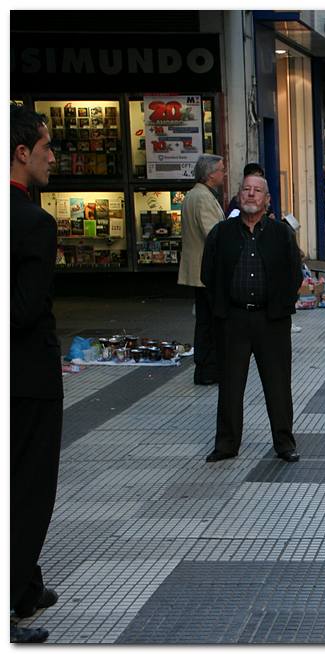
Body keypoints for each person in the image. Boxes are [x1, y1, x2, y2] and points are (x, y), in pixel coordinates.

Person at [201, 174, 304, 464]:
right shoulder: (221, 233)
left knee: (278, 384)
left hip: (271, 320)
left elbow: (294, 274)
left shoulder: (280, 233)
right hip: (232, 319)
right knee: (231, 385)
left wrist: (282, 305)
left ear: (266, 199)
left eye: (257, 190)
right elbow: (208, 274)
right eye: (246, 189)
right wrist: (220, 308)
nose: (250, 194)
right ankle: (226, 444)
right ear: (238, 195)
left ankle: (284, 443)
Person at [10, 106, 61, 644]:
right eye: (46, 148)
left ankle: (25, 586)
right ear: (22, 153)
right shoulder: (32, 222)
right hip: (26, 378)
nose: (53, 156)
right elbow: (25, 311)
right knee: (27, 490)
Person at [179, 154, 226, 385]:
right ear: (209, 175)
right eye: (221, 170)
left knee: (206, 320)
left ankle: (207, 367)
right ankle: (208, 368)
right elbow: (213, 234)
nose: (223, 174)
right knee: (210, 321)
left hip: (199, 269)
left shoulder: (195, 194)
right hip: (205, 270)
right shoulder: (202, 198)